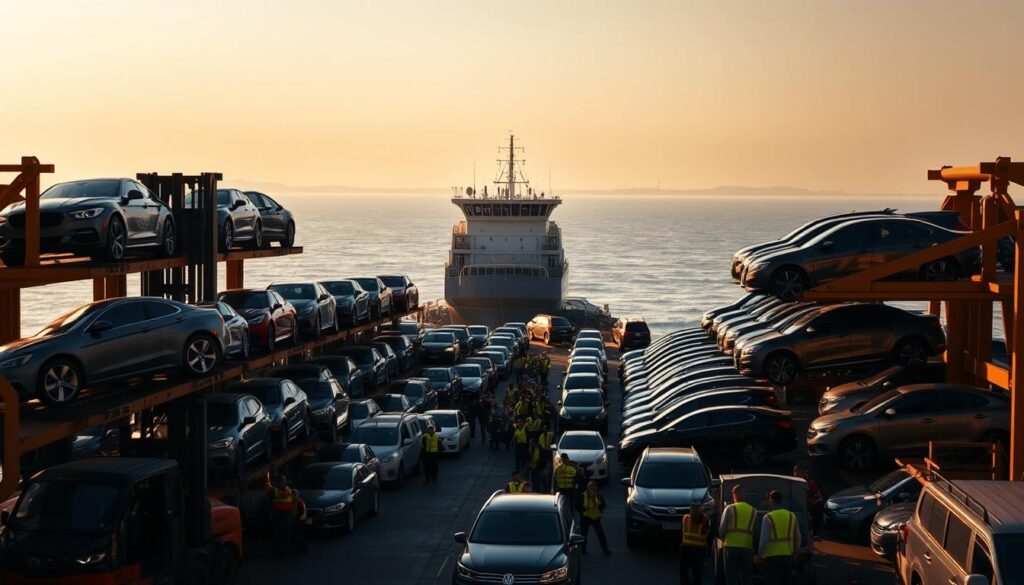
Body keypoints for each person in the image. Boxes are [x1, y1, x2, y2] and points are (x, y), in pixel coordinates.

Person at [757, 490, 800, 585]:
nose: (768, 501)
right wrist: (795, 554)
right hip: (787, 558)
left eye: (769, 499)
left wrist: (760, 555)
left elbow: (764, 540)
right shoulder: (791, 516)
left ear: (772, 500)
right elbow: (798, 538)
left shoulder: (768, 517)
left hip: (771, 560)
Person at [718, 485, 756, 585]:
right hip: (747, 548)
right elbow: (755, 532)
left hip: (730, 547)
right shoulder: (753, 511)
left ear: (734, 495)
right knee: (747, 577)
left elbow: (722, 530)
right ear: (745, 496)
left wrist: (724, 539)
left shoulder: (729, 508)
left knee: (731, 578)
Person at [265, 473, 295, 557]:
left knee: (285, 532)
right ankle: (280, 551)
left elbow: (282, 494)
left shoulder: (287, 490)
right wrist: (269, 487)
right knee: (279, 533)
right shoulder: (276, 490)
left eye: (283, 481)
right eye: (282, 481)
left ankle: (285, 551)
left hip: (285, 513)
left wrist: (270, 487)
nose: (283, 482)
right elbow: (270, 493)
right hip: (279, 513)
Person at [679, 503, 709, 585]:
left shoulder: (685, 518)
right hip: (699, 550)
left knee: (683, 572)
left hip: (686, 549)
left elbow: (681, 532)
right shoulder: (705, 520)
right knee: (697, 573)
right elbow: (707, 533)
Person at [579, 481, 611, 555]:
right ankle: (583, 550)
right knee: (584, 535)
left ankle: (605, 550)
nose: (592, 490)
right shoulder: (583, 496)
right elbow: (578, 507)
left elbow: (603, 504)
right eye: (591, 489)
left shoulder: (598, 495)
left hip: (596, 517)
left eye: (594, 489)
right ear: (588, 488)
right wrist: (583, 511)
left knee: (600, 534)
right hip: (586, 518)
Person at [794, 464, 823, 536]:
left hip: (812, 509)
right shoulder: (795, 482)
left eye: (797, 473)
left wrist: (809, 509)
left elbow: (818, 498)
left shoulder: (810, 484)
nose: (795, 474)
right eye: (794, 472)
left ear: (802, 473)